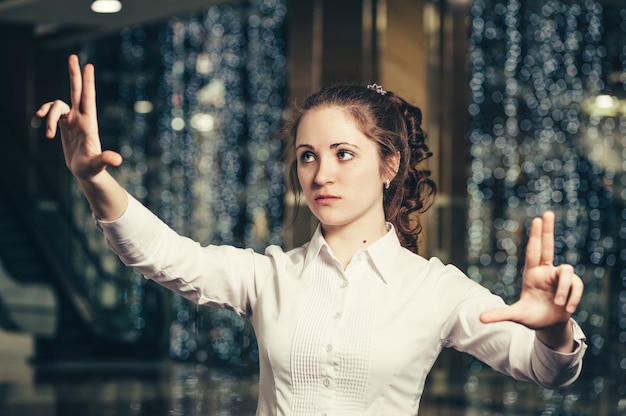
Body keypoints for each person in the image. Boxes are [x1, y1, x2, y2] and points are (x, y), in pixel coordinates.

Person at [37, 54, 587, 415]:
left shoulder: (435, 289)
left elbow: (546, 371)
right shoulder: (270, 275)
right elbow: (161, 255)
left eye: (344, 154)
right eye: (307, 157)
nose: (321, 174)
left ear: (389, 164)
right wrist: (94, 179)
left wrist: (556, 329)